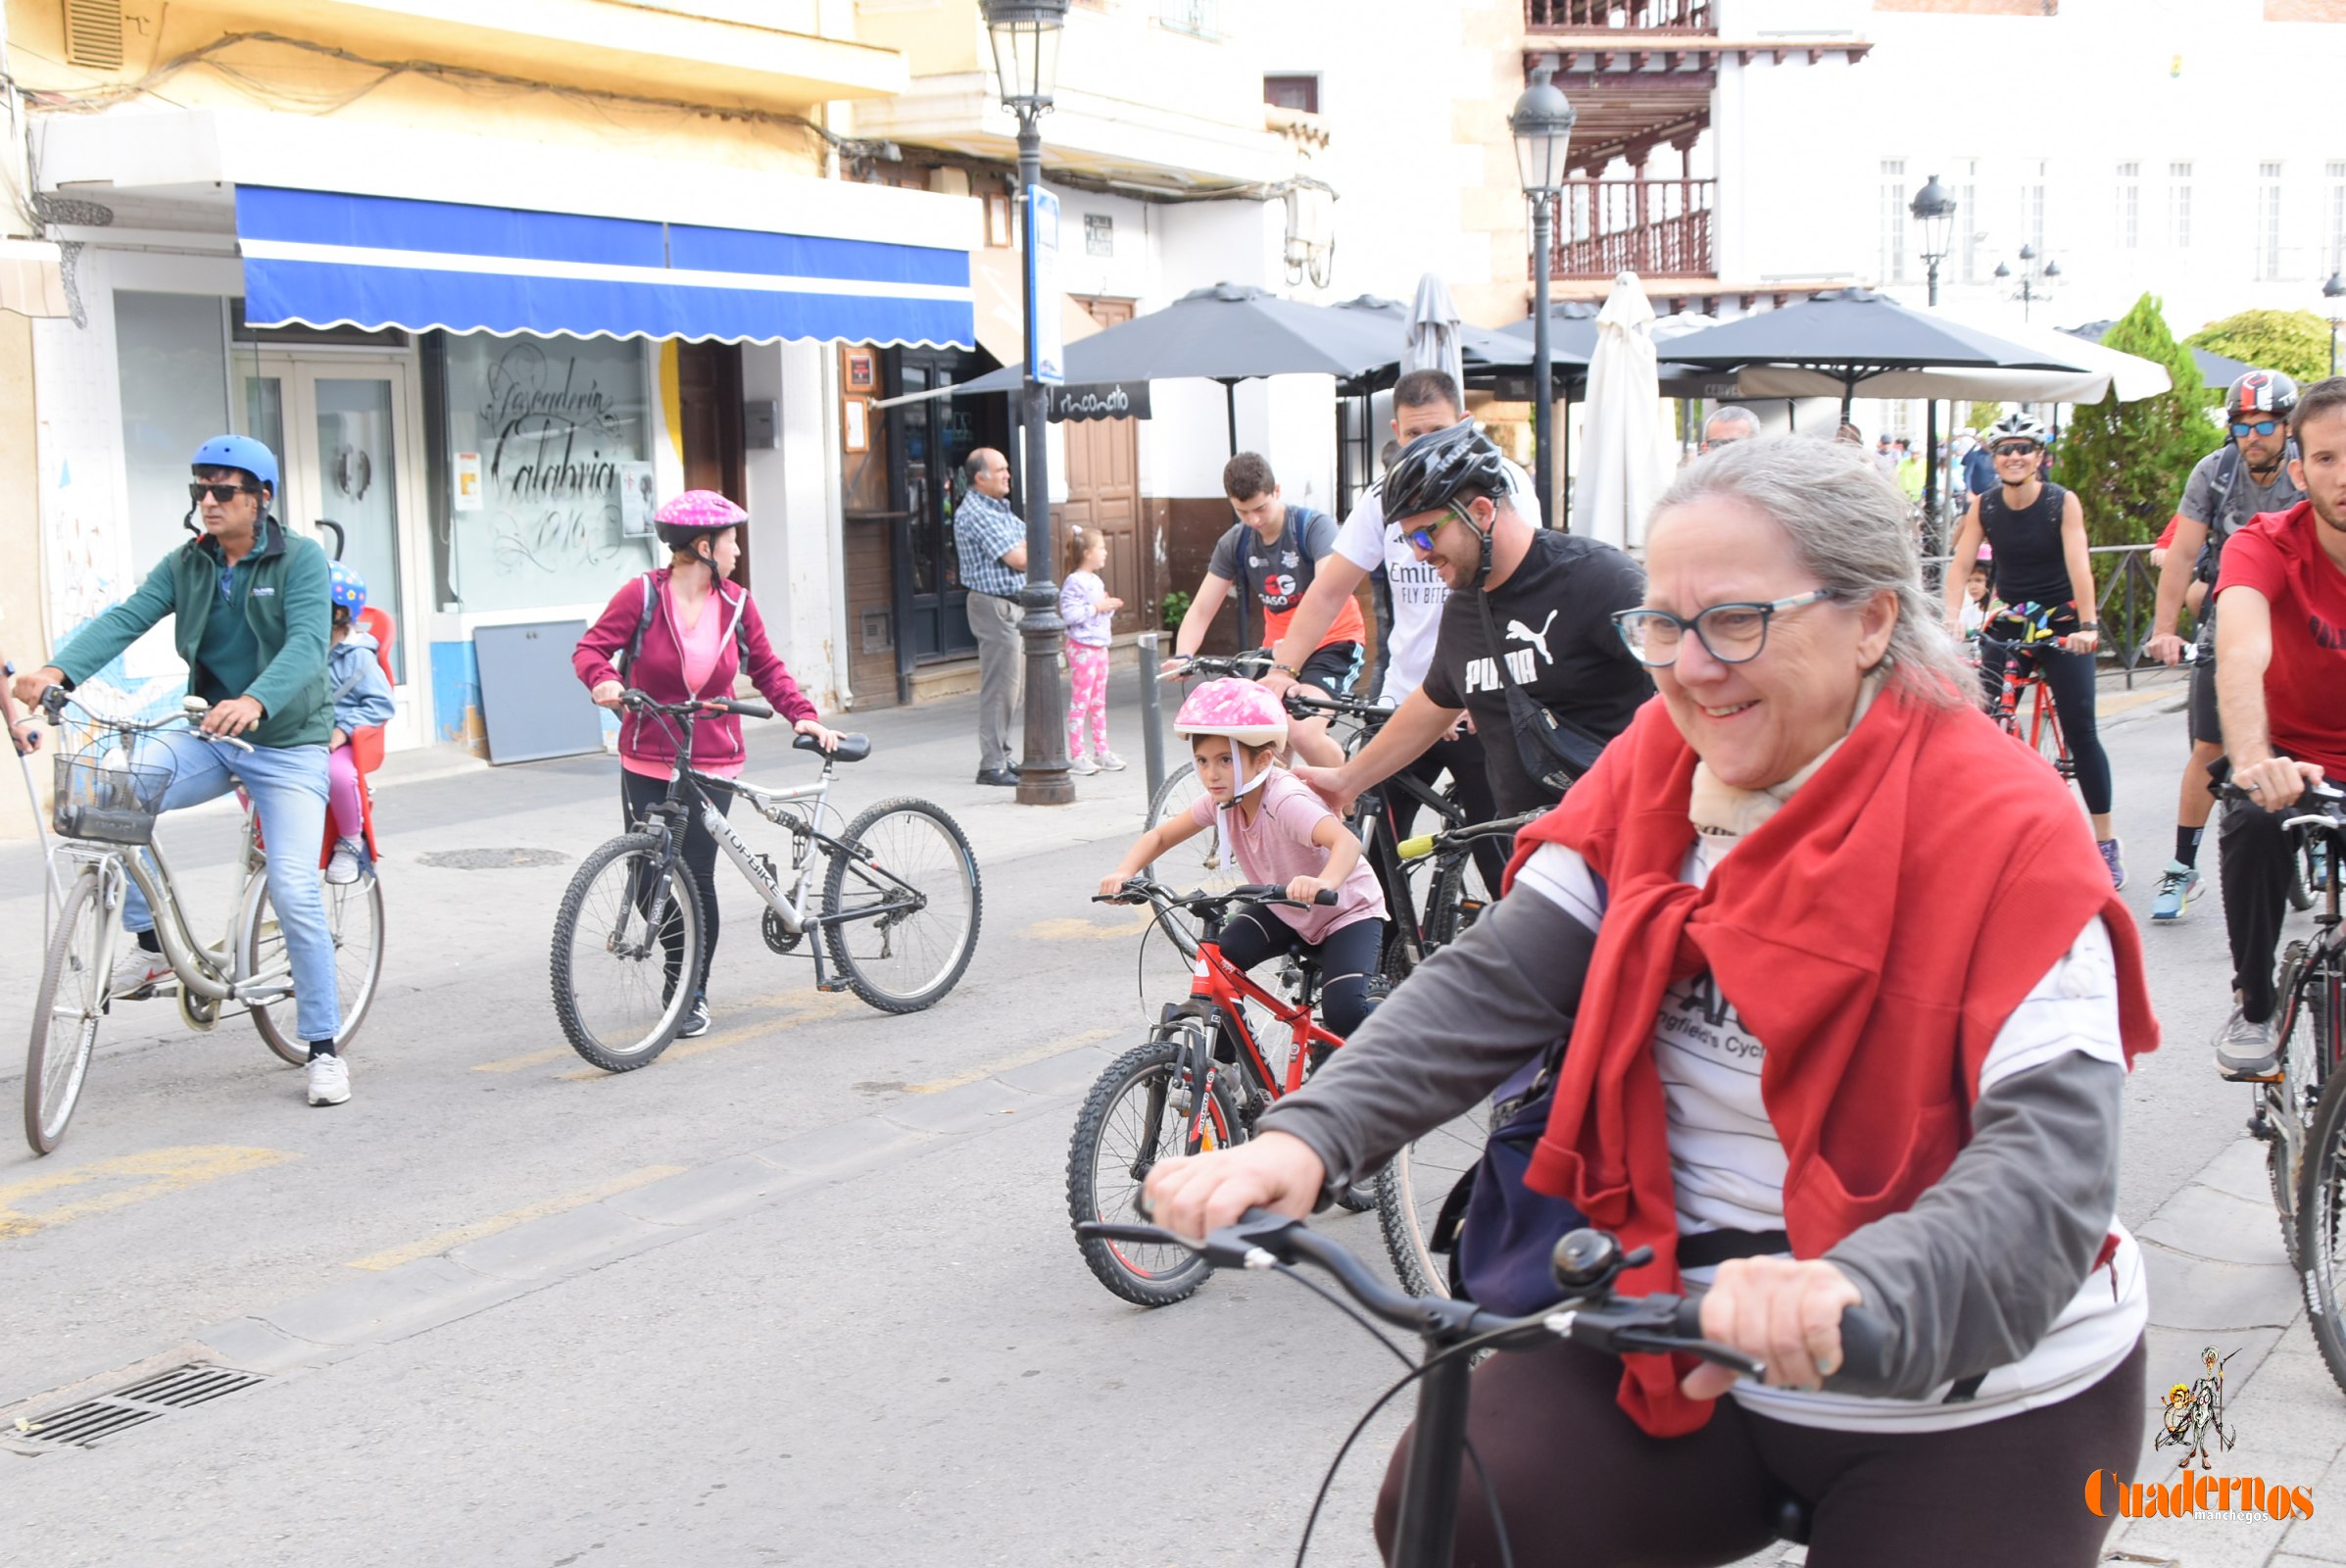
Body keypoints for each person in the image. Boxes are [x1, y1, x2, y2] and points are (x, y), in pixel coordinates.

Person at [1146, 436, 2156, 1568]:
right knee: (1466, 1510)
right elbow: (1500, 977)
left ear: (1872, 620)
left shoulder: (2005, 825)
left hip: (1971, 1388)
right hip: (1673, 1318)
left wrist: (1861, 1284)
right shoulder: (1662, 764)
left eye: (1735, 621)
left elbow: (2049, 1173)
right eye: (1663, 628)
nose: (1688, 668)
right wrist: (1307, 1136)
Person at [10, 436, 355, 1106]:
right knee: (116, 791)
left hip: (286, 745)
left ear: (260, 499)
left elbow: (310, 644)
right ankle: (151, 942)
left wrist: (257, 699)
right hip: (210, 734)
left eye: (224, 491)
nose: (208, 502)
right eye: (200, 489)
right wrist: (58, 671)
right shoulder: (189, 564)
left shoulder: (301, 560)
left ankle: (322, 1048)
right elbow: (126, 617)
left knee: (293, 888)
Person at [575, 490, 842, 1040]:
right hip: (648, 751)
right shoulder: (642, 596)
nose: (738, 551)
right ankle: (681, 967)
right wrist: (602, 679)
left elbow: (766, 668)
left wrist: (803, 715)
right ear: (703, 547)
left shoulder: (738, 603)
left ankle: (688, 990)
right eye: (731, 541)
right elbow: (591, 649)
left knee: (694, 875)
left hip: (712, 755)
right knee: (649, 872)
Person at [1295, 419, 1652, 821]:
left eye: (1425, 536)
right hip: (1537, 854)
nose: (1418, 554)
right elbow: (1434, 702)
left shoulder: (1598, 579)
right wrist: (1347, 781)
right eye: (1408, 540)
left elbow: (1688, 685)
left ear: (1481, 512)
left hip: (1623, 840)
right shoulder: (1464, 607)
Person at [1258, 368, 1535, 854]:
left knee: (1500, 860)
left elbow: (1520, 590)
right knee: (1369, 858)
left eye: (1439, 432)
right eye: (1413, 434)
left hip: (1480, 702)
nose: (1425, 445)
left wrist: (1475, 688)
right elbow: (1327, 591)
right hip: (1405, 699)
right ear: (1395, 433)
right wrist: (1283, 670)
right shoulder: (1382, 496)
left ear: (1465, 424)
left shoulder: (1499, 484)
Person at [1098, 678, 1386, 1044]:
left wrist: (1324, 882)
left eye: (1223, 761)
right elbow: (1161, 835)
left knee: (1345, 1012)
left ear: (1263, 759)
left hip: (1345, 912)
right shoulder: (1223, 800)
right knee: (1219, 963)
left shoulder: (1283, 800)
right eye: (1202, 761)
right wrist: (1125, 871)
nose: (1210, 774)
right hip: (1286, 907)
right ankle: (1226, 1077)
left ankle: (1413, 1044)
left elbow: (1345, 841)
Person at [2204, 375, 2346, 1080]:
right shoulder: (2264, 544)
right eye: (2327, 459)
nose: (2344, 476)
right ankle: (2255, 1002)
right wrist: (2256, 759)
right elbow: (2240, 652)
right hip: (2290, 757)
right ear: (2300, 470)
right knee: (2251, 818)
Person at [2145, 369, 2307, 921]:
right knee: (2208, 751)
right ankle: (2181, 868)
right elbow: (2184, 553)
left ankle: (2318, 846)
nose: (2253, 436)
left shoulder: (2309, 470)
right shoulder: (2214, 474)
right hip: (2231, 620)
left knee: (2310, 739)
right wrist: (2164, 629)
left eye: (2266, 425)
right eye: (2242, 425)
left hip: (2298, 626)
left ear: (2288, 427)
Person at [1943, 411, 2125, 888]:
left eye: (2024, 449)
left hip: (2063, 620)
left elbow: (2079, 563)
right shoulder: (1983, 507)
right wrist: (1949, 619)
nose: (2014, 457)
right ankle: (1982, 838)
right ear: (1994, 458)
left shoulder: (2060, 503)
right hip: (2013, 617)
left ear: (2039, 457)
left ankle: (2104, 841)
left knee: (2081, 729)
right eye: (2005, 450)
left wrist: (2088, 625)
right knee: (1982, 725)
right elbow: (1961, 567)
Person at [1166, 453, 1357, 769]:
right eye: (1242, 511)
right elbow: (1201, 608)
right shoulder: (1236, 542)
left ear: (1276, 491)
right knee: (1258, 738)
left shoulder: (1312, 527)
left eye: (1260, 508)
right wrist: (1184, 655)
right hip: (1278, 651)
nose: (1254, 520)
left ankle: (1352, 802)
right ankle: (1283, 812)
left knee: (1302, 732)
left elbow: (1329, 593)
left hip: (1334, 641)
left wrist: (1291, 659)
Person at [953, 448, 1026, 787]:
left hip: (1010, 604)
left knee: (1011, 687)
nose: (1007, 474)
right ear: (979, 477)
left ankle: (1002, 755)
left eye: (1006, 468)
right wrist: (1026, 548)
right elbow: (1021, 558)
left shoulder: (998, 508)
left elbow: (1029, 544)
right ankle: (991, 764)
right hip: (994, 606)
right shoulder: (977, 511)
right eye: (1000, 470)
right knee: (1000, 688)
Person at [322, 563, 395, 886]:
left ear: (339, 614)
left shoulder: (358, 656)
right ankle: (265, 839)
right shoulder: (300, 646)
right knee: (247, 767)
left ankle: (351, 841)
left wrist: (344, 729)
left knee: (337, 774)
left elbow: (381, 703)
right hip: (302, 731)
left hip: (344, 739)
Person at [1057, 525, 1124, 776]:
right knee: (1081, 701)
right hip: (1082, 647)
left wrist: (1106, 607)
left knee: (1098, 701)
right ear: (1086, 553)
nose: (1106, 552)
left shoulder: (1095, 580)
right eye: (1101, 548)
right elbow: (1070, 614)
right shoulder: (1074, 581)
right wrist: (1097, 607)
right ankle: (1077, 754)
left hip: (1099, 645)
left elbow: (1092, 610)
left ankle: (1102, 750)